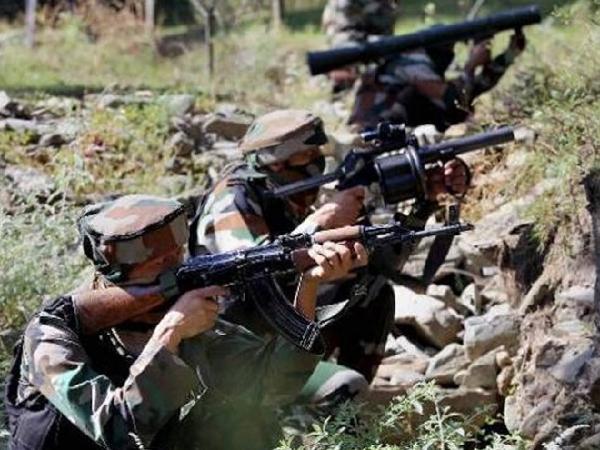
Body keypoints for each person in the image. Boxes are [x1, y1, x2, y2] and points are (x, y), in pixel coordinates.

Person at [5, 194, 367, 450]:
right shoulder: (53, 335)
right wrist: (168, 337)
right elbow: (117, 432)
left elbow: (274, 384)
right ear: (115, 274)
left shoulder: (190, 320)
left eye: (177, 258)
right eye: (157, 267)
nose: (175, 273)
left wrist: (309, 286)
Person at [190, 109, 469, 384]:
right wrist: (321, 221)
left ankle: (342, 401)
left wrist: (425, 202)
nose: (317, 162)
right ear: (276, 163)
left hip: (276, 324)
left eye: (317, 153)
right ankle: (305, 395)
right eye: (307, 155)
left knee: (371, 289)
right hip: (231, 345)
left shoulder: (284, 195)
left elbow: (380, 265)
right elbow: (252, 268)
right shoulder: (232, 197)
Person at [321, 0, 527, 131]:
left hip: (391, 131)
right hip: (371, 134)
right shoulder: (411, 61)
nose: (450, 54)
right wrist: (470, 67)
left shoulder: (421, 65)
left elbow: (469, 91)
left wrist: (509, 55)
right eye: (449, 47)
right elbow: (454, 101)